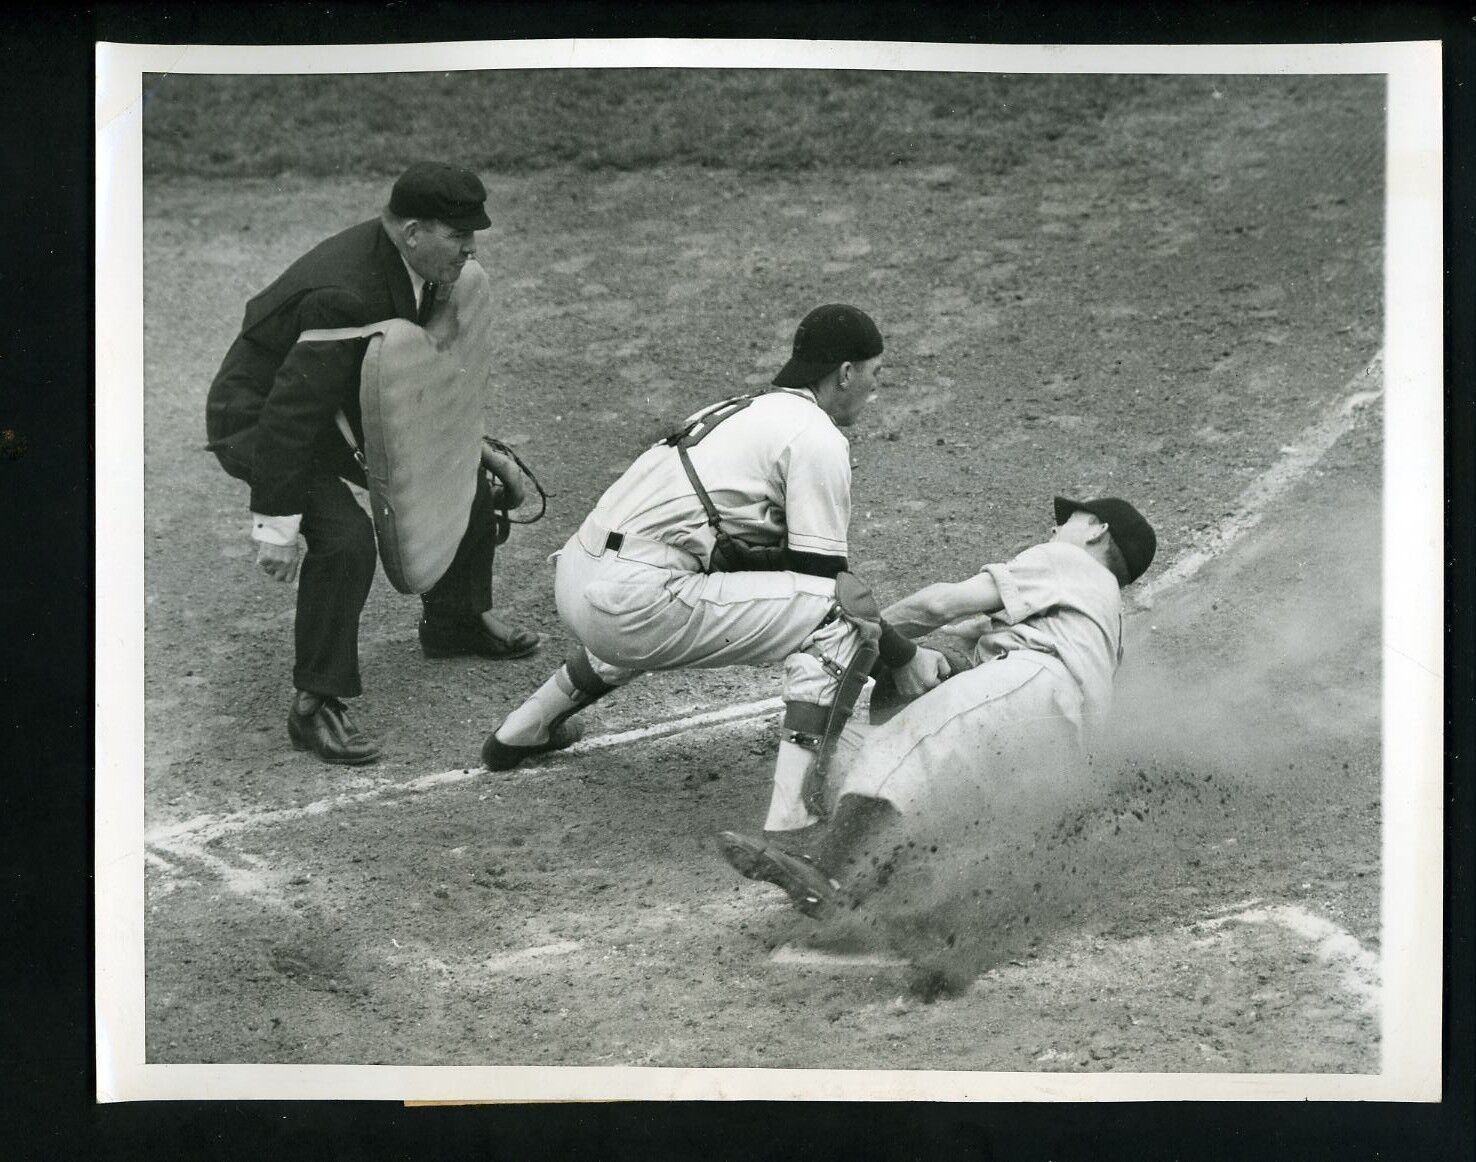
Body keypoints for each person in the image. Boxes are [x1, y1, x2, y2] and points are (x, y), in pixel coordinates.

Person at [480, 304, 952, 837]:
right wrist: (905, 656)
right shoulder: (815, 437)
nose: (875, 388)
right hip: (631, 605)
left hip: (578, 577)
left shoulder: (746, 410)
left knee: (692, 594)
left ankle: (525, 727)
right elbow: (830, 591)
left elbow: (765, 561)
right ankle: (795, 820)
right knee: (833, 621)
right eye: (875, 373)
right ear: (846, 372)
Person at [205, 161, 538, 766]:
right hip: (264, 421)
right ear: (412, 231)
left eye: (473, 235)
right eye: (458, 235)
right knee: (345, 538)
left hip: (341, 400)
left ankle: (454, 621)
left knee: (465, 475)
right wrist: (277, 525)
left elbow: (415, 368)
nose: (470, 249)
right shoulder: (345, 293)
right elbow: (289, 413)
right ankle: (315, 704)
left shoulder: (419, 263)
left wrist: (468, 444)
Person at [717, 495, 1157, 919]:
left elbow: (939, 605)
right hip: (1059, 750)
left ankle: (828, 873)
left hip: (1033, 685)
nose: (1054, 528)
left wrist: (857, 630)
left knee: (899, 745)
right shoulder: (1103, 617)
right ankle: (897, 902)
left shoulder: (1067, 560)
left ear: (1098, 530)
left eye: (1069, 521)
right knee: (900, 776)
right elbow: (962, 635)